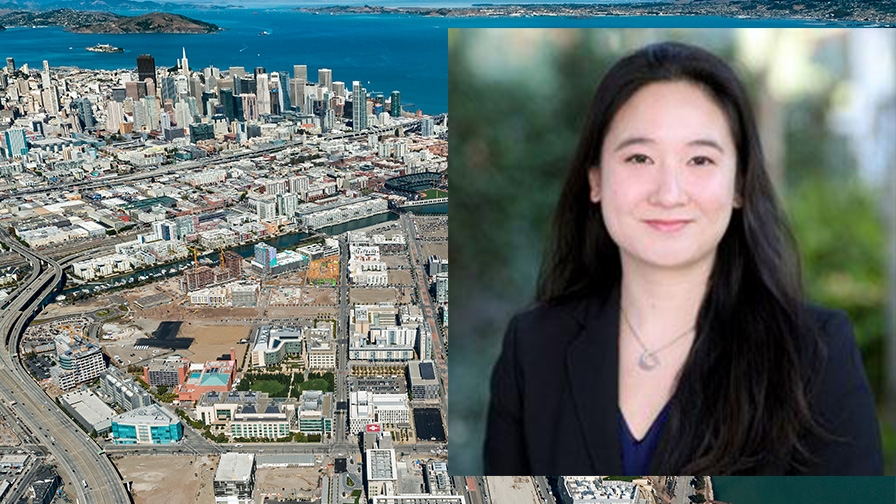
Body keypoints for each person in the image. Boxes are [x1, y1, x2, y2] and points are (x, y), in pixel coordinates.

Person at [483, 41, 883, 476]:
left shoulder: (814, 354)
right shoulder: (534, 346)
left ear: (739, 184)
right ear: (595, 178)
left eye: (700, 159)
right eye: (639, 157)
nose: (669, 193)